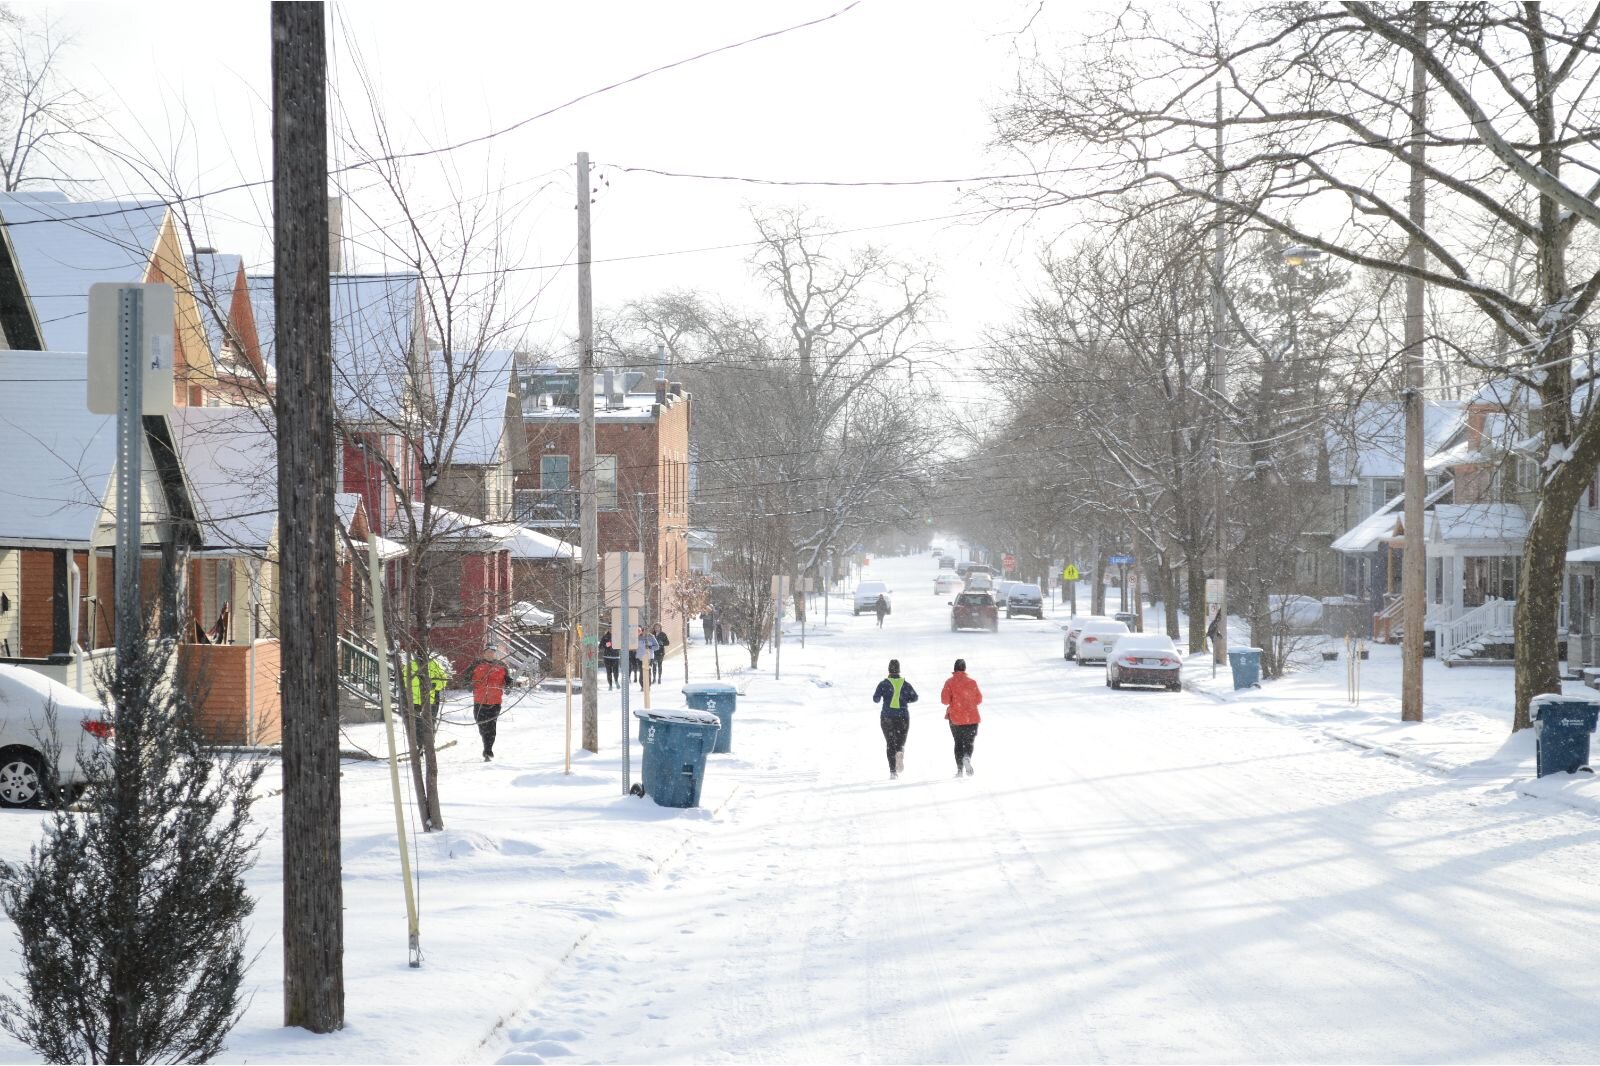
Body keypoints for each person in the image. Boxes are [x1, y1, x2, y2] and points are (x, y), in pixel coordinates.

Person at [871, 658, 918, 779]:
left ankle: (893, 771)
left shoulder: (883, 684)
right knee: (900, 740)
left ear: (889, 670)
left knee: (890, 743)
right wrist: (906, 699)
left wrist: (883, 696)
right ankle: (900, 751)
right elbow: (915, 697)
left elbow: (875, 699)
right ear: (899, 670)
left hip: (887, 717)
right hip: (903, 717)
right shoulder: (906, 684)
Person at [940, 657, 982, 777]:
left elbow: (945, 700)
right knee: (969, 741)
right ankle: (967, 757)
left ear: (954, 669)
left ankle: (959, 770)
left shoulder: (949, 682)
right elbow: (979, 699)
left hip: (956, 718)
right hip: (972, 718)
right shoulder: (972, 682)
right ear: (964, 669)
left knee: (958, 742)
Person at [470, 654, 509, 762]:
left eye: (492, 651)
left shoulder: (501, 666)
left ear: (495, 653)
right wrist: (468, 684)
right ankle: (486, 745)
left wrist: (509, 685)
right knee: (482, 726)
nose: (489, 654)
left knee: (491, 727)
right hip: (479, 701)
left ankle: (488, 750)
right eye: (487, 651)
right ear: (484, 653)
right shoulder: (476, 665)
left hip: (495, 702)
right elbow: (465, 678)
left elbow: (508, 680)